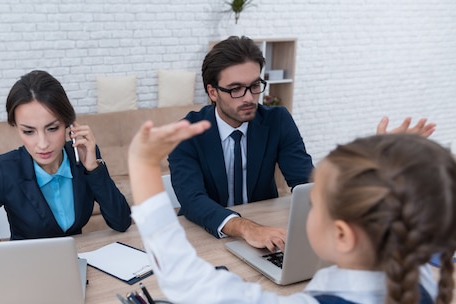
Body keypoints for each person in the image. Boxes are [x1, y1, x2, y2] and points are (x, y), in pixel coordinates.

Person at [128, 119, 456, 304]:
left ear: (342, 234)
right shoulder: (424, 282)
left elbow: (184, 278)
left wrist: (143, 166)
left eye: (316, 205)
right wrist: (387, 169)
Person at [168, 36, 436, 252]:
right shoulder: (187, 132)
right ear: (212, 92)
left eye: (255, 85)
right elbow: (192, 201)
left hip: (270, 233)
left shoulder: (277, 120)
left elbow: (307, 183)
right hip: (209, 237)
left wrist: (373, 159)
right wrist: (248, 228)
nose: (249, 98)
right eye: (236, 89)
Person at [0, 70, 131, 245]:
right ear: (17, 128)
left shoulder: (83, 156)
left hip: (77, 262)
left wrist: (93, 168)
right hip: (28, 272)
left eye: (52, 128)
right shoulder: (5, 171)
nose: (42, 144)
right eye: (29, 131)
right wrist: (0, 261)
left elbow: (121, 222)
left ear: (69, 124)